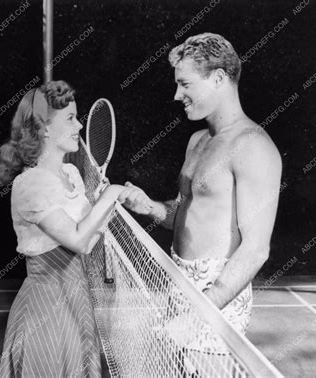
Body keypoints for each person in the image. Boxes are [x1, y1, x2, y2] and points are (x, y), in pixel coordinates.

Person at [120, 33, 282, 355]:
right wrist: (150, 206)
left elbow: (255, 250)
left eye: (186, 84)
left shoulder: (253, 146)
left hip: (216, 299)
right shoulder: (197, 140)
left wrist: (200, 316)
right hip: (178, 283)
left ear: (219, 78)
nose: (177, 94)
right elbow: (184, 212)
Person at [0, 80, 128, 377]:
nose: (79, 127)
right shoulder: (32, 185)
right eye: (70, 118)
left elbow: (89, 240)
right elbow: (79, 240)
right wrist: (111, 194)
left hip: (77, 300)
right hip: (46, 309)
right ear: (44, 129)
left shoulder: (70, 173)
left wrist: (98, 205)